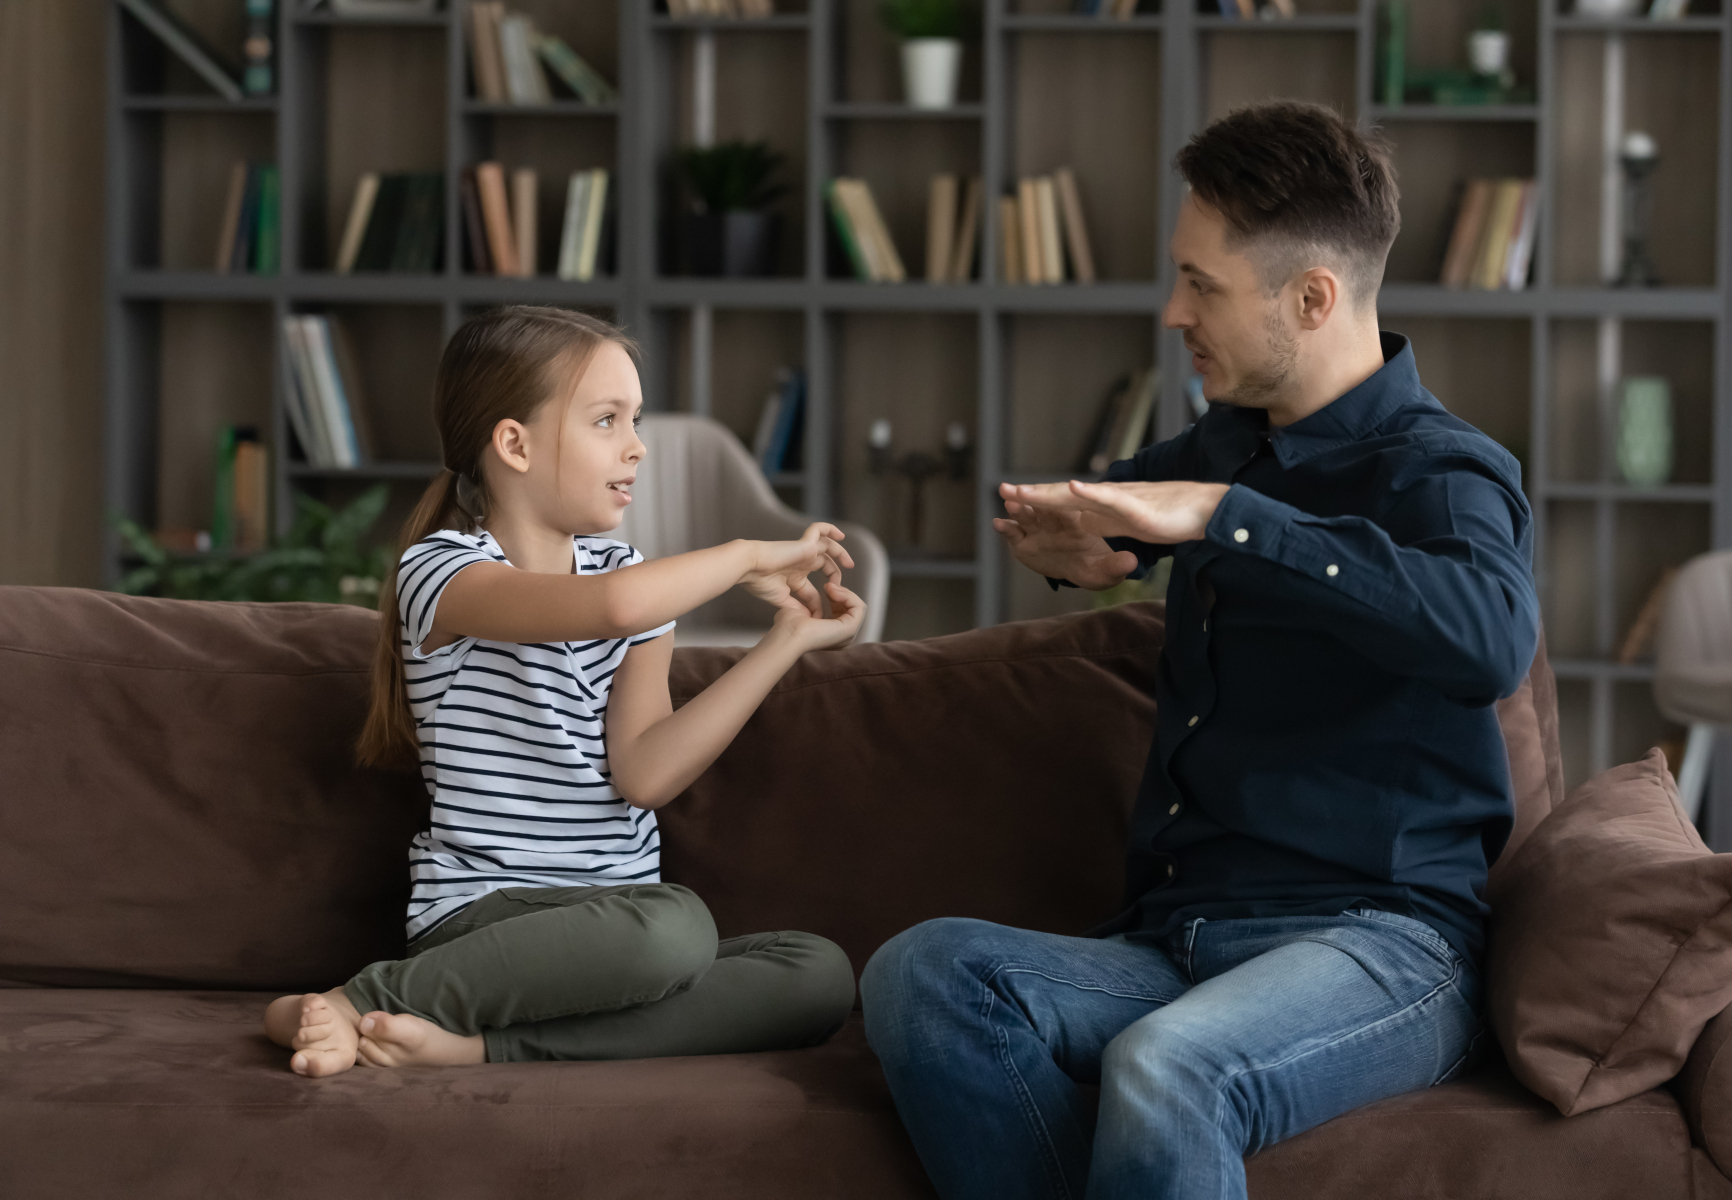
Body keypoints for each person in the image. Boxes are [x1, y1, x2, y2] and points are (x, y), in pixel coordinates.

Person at [859, 101, 1539, 1200]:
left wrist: (1230, 516)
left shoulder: (1443, 472)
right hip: (1178, 933)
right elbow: (1116, 510)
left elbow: (1491, 640)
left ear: (1313, 298)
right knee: (924, 975)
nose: (1174, 312)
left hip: (1381, 948)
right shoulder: (1233, 438)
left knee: (1169, 1067)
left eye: (1202, 285)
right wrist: (1075, 543)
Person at [263, 305, 865, 1077]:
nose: (638, 446)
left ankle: (479, 1048)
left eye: (636, 419)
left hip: (616, 937)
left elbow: (644, 773)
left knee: (816, 973)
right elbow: (615, 610)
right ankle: (363, 1000)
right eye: (607, 420)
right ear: (512, 443)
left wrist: (784, 644)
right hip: (487, 923)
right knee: (674, 928)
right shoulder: (442, 572)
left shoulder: (632, 579)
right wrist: (748, 553)